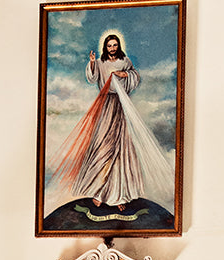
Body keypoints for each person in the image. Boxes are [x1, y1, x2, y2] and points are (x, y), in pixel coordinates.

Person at [46, 33, 173, 213]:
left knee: (120, 149)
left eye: (114, 45)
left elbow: (135, 77)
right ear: (105, 48)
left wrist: (124, 73)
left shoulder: (125, 60)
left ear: (118, 46)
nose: (112, 48)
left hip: (121, 107)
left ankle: (119, 196)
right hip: (106, 106)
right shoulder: (100, 63)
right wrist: (91, 62)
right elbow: (92, 78)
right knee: (102, 146)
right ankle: (99, 192)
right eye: (109, 46)